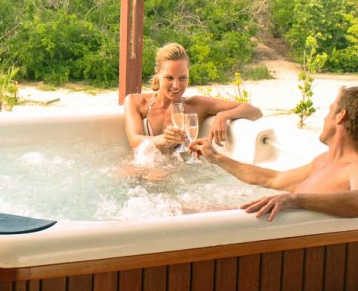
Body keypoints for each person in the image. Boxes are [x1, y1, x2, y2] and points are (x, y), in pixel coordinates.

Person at [190, 87, 358, 221]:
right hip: (283, 236)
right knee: (191, 210)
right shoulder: (323, 161)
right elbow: (273, 179)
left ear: (340, 116)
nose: (324, 118)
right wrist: (216, 158)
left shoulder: (354, 166)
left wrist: (295, 200)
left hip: (300, 246)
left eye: (329, 111)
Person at [124, 43, 262, 151]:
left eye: (182, 78)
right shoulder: (136, 102)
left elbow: (255, 111)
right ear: (157, 73)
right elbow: (134, 142)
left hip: (176, 172)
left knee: (158, 175)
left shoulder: (196, 105)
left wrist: (224, 115)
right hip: (141, 168)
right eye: (169, 78)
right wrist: (164, 139)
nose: (176, 85)